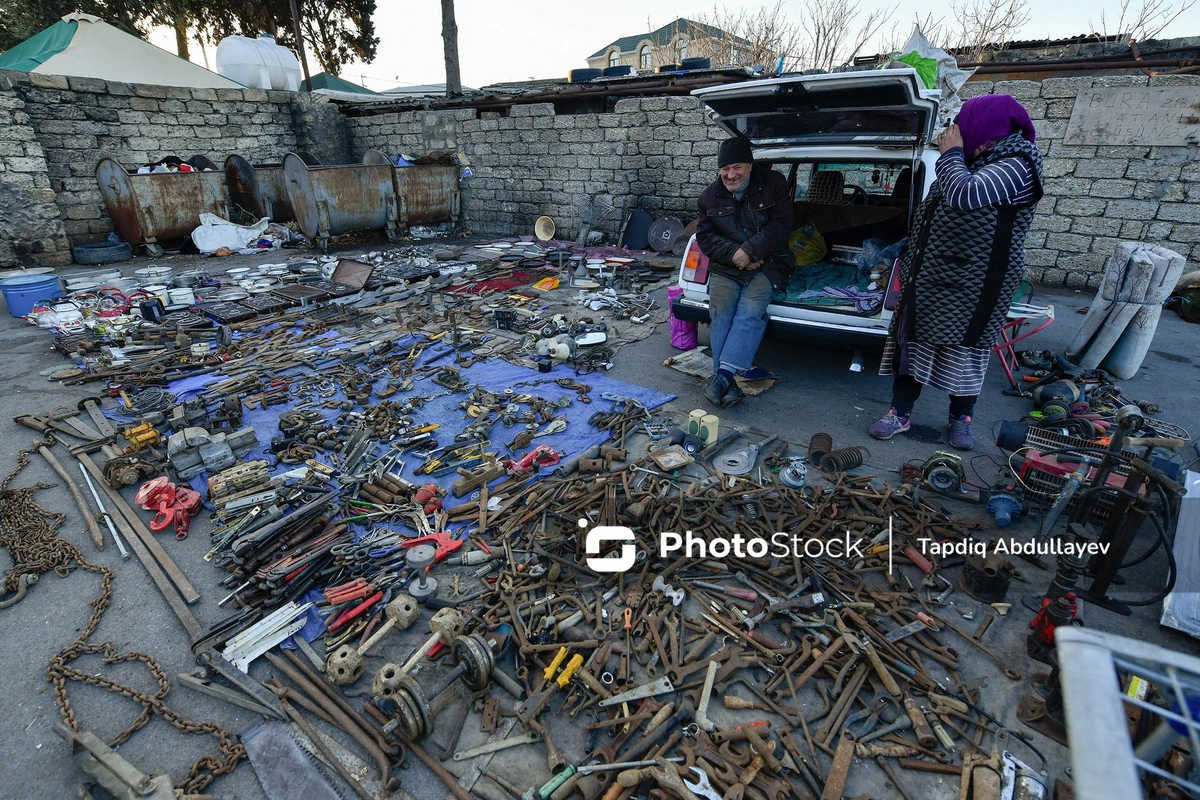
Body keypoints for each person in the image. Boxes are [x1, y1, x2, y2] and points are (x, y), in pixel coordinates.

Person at [868, 94, 1044, 450]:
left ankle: (961, 419)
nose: (957, 133)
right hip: (931, 277)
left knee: (967, 349)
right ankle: (899, 413)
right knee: (912, 343)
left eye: (964, 125)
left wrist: (949, 154)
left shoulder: (1018, 162)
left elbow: (964, 195)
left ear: (986, 126)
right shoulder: (970, 161)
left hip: (977, 284)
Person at [696, 135, 794, 408]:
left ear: (750, 165)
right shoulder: (708, 197)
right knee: (721, 310)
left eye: (737, 167)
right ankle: (727, 380)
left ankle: (722, 376)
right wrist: (736, 255)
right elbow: (706, 238)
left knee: (750, 310)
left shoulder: (774, 184)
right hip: (728, 266)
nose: (730, 174)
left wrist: (750, 251)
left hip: (771, 263)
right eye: (725, 169)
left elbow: (782, 226)